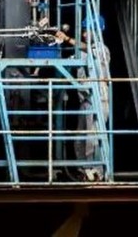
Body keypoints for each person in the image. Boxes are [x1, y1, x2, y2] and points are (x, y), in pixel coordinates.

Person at [56, 15, 112, 181]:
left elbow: (86, 49)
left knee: (93, 139)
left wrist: (67, 39)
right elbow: (71, 59)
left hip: (99, 99)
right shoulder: (82, 51)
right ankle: (83, 170)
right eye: (85, 31)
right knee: (80, 138)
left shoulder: (101, 49)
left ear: (98, 31)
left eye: (88, 31)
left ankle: (97, 172)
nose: (85, 34)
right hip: (86, 100)